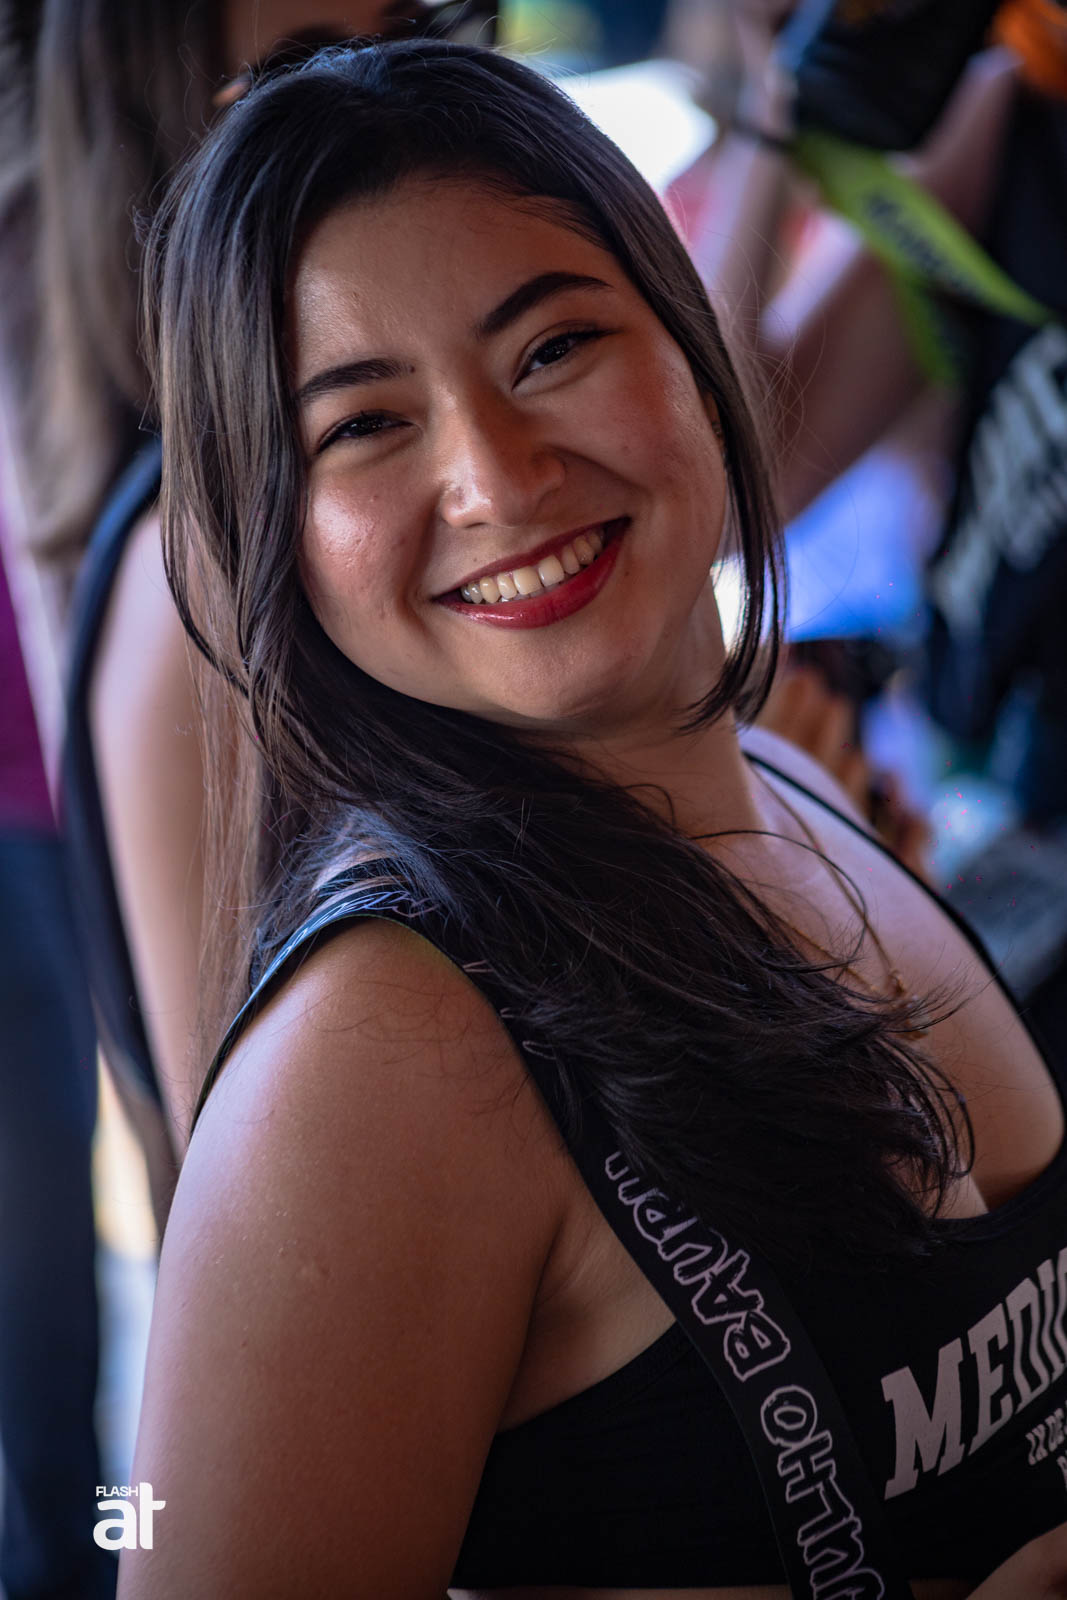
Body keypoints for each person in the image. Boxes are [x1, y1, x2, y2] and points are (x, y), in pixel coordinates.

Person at [125, 37, 1067, 1596]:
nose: (496, 478)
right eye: (363, 426)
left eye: (552, 346)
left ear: (690, 341)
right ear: (271, 531)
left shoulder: (795, 795)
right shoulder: (375, 1059)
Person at [0, 0, 466, 1177]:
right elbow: (259, 1200)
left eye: (423, 33)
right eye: (301, 80)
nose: (388, 107)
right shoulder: (200, 570)